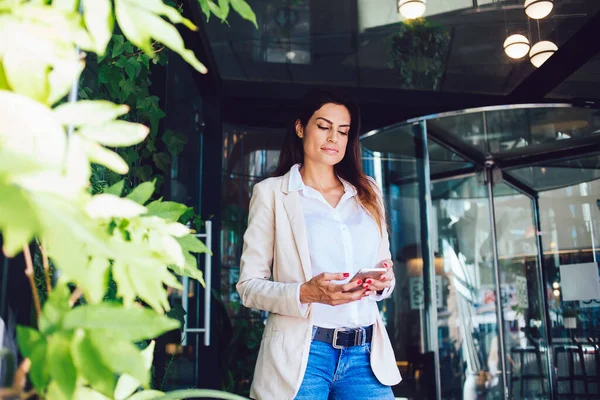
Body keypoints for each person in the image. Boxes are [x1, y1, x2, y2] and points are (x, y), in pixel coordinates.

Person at [236, 89, 402, 399]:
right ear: (301, 128)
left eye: (343, 131)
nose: (333, 138)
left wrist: (383, 281)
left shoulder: (369, 193)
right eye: (323, 126)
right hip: (303, 355)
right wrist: (305, 293)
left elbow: (383, 270)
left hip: (366, 356)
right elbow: (248, 287)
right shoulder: (272, 194)